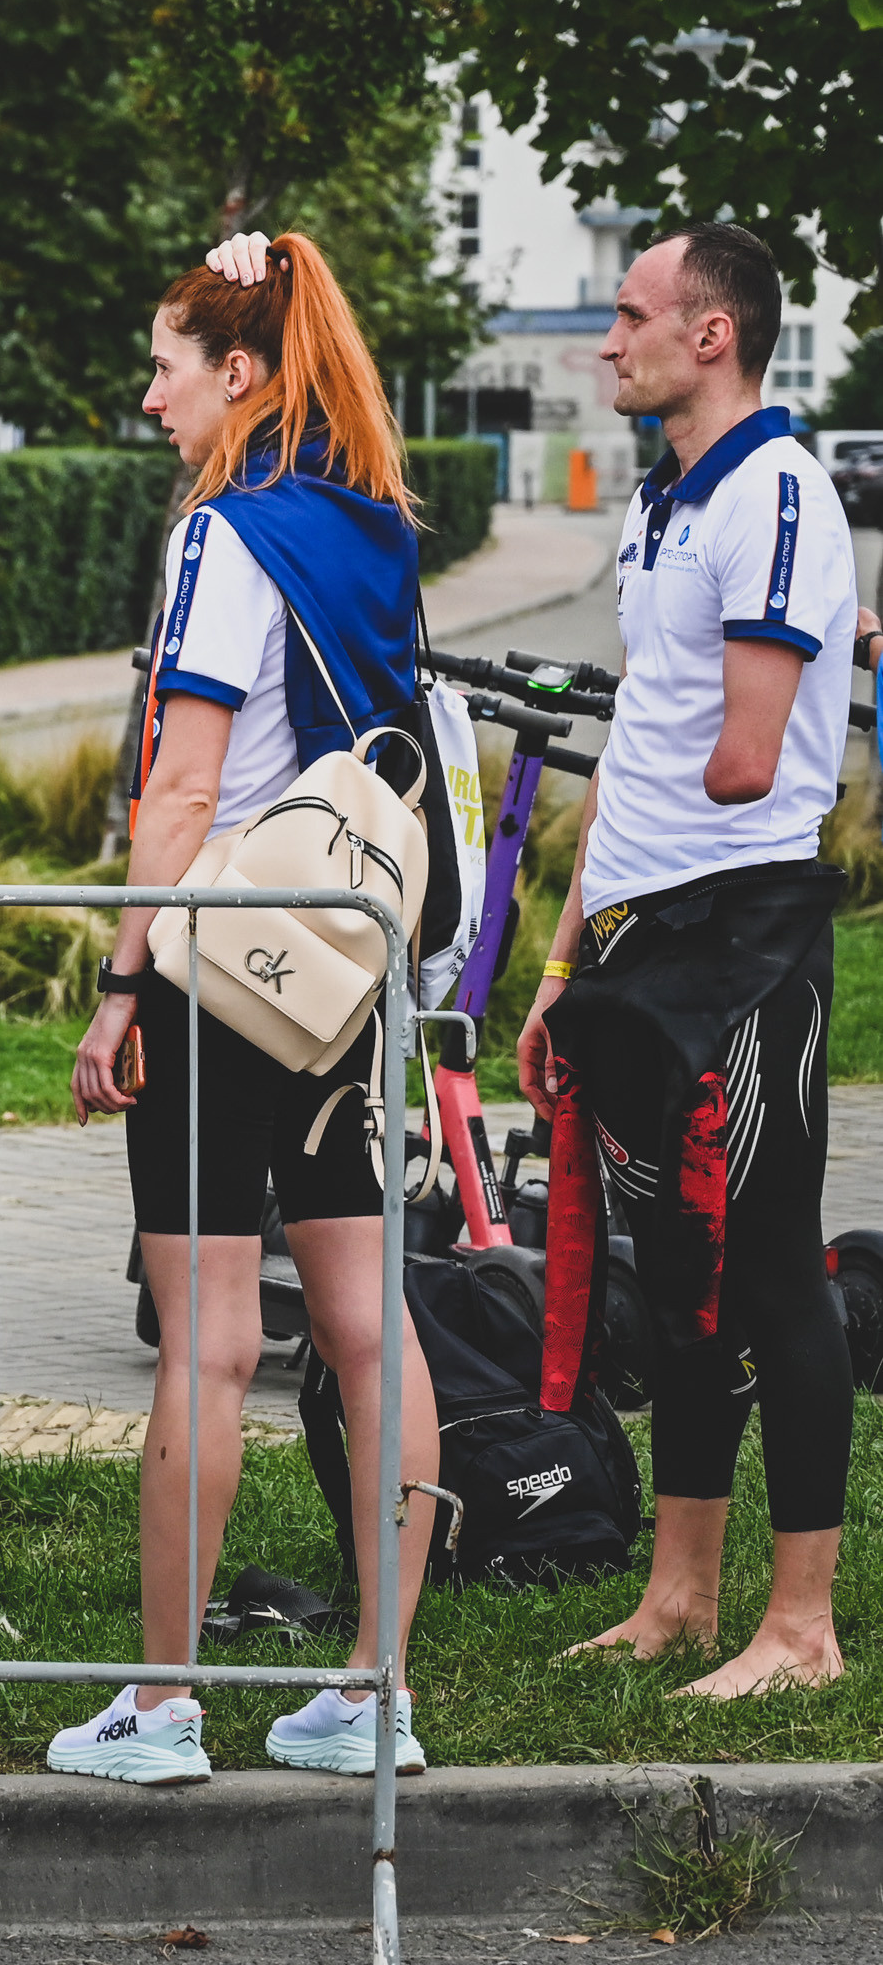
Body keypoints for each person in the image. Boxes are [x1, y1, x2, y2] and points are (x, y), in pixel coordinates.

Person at [56, 231, 441, 1785]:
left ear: (242, 371)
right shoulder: (374, 524)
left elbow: (184, 787)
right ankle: (374, 1689)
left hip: (221, 971)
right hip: (348, 967)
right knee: (368, 1327)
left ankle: (160, 1707)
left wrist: (119, 981)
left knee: (209, 1340)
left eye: (168, 369)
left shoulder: (225, 536)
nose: (152, 399)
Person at [519, 222, 858, 1701]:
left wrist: (797, 658)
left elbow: (740, 759)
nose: (610, 338)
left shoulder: (777, 493)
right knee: (675, 1282)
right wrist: (562, 970)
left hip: (744, 935)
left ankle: (802, 1630)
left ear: (710, 334)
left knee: (771, 1274)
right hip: (640, 935)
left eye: (632, 312)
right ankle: (678, 1596)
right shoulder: (662, 500)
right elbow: (638, 756)